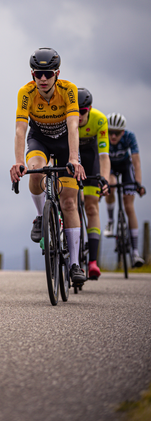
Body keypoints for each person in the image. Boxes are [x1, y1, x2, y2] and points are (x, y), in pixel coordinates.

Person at [10, 47, 86, 283]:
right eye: (38, 74)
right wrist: (19, 162)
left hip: (65, 141)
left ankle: (74, 264)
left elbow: (74, 126)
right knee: (35, 170)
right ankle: (40, 217)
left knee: (70, 202)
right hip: (39, 138)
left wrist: (74, 157)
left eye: (48, 73)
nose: (42, 78)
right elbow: (20, 129)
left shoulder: (69, 90)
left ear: (57, 73)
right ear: (33, 74)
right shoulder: (26, 92)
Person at [104, 113, 146, 267]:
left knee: (129, 206)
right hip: (109, 167)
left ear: (123, 132)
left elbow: (136, 163)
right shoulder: (102, 136)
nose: (113, 136)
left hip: (125, 167)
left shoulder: (130, 137)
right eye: (110, 132)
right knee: (111, 184)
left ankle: (135, 253)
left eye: (117, 132)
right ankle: (110, 221)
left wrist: (138, 184)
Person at [77, 88, 110, 279]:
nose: (79, 116)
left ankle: (93, 262)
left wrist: (104, 178)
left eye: (83, 112)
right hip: (71, 156)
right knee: (69, 201)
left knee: (91, 207)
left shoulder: (99, 119)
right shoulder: (67, 117)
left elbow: (104, 156)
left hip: (91, 158)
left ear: (89, 109)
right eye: (76, 112)